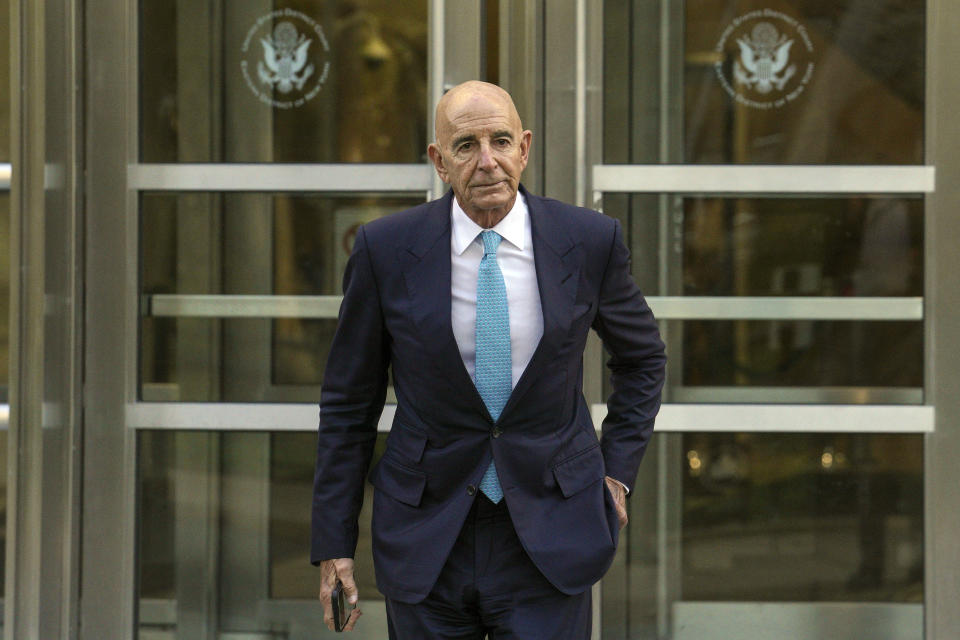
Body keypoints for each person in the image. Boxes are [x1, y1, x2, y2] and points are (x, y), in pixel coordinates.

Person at [311, 80, 666, 638]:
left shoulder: (589, 240)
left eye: (500, 141)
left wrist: (617, 471)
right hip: (427, 535)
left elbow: (643, 359)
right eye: (465, 146)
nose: (487, 162)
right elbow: (349, 402)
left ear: (524, 147)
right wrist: (334, 543)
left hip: (551, 530)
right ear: (438, 161)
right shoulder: (385, 250)